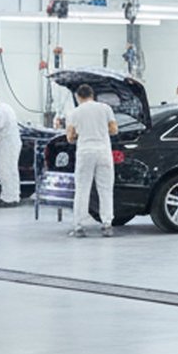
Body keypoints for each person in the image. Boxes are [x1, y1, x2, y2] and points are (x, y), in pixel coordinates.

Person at [65, 83, 119, 238]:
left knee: (82, 189)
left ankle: (79, 226)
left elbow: (69, 138)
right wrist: (101, 130)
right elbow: (114, 130)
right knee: (105, 188)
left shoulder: (74, 113)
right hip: (103, 152)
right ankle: (107, 224)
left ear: (78, 97)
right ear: (92, 95)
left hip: (85, 152)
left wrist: (80, 134)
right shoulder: (105, 108)